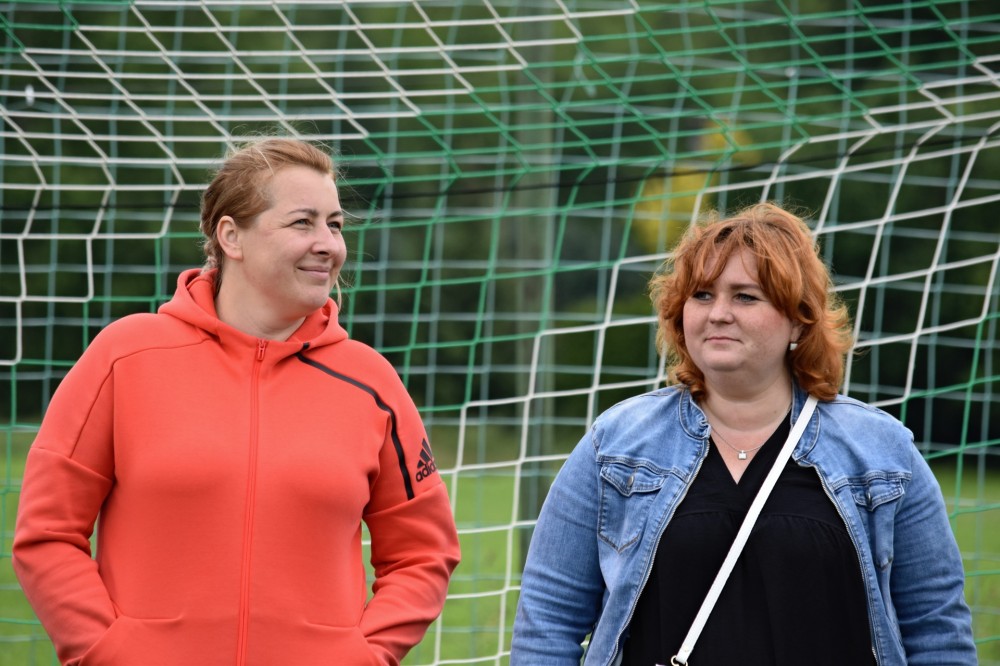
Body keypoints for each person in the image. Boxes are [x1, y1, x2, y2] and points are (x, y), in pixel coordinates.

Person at [13, 137, 461, 666]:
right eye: (303, 222)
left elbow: (422, 552)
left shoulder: (371, 382)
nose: (328, 244)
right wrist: (108, 651)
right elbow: (47, 533)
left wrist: (362, 655)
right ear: (231, 236)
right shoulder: (125, 356)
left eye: (335, 224)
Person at [510, 202, 976, 665]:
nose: (718, 313)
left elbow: (937, 630)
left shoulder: (882, 452)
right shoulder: (614, 446)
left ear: (798, 319)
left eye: (745, 297)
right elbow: (548, 619)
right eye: (702, 295)